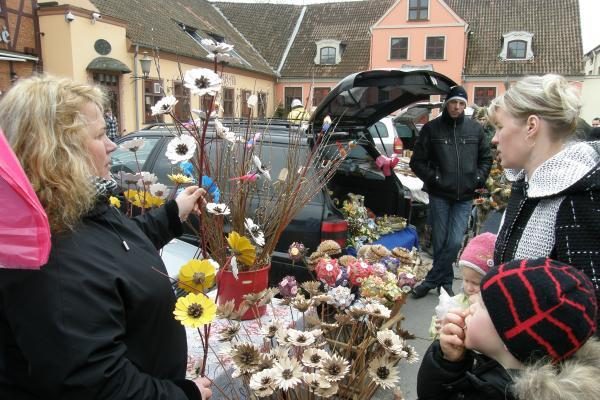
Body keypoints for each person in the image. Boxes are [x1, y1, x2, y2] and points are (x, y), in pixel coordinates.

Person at [0, 75, 212, 400]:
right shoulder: (47, 259)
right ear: (59, 154)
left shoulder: (76, 208)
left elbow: (115, 248)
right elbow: (99, 386)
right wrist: (184, 394)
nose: (113, 145)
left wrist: (172, 214)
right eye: (100, 135)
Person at [489, 74, 600, 326]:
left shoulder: (581, 198)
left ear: (531, 126)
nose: (494, 139)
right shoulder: (527, 186)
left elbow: (589, 313)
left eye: (500, 127)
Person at [417, 257, 600, 400]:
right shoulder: (497, 366)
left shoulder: (492, 393)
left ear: (510, 337)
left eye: (482, 305)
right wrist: (448, 361)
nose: (471, 305)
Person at [410, 86, 492, 298]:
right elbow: (416, 161)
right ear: (446, 104)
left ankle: (430, 281)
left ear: (465, 106)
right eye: (453, 102)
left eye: (461, 103)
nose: (457, 107)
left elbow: (486, 158)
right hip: (439, 195)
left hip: (464, 196)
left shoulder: (475, 129)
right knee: (439, 240)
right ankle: (445, 283)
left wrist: (477, 178)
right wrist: (435, 178)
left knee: (454, 241)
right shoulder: (432, 129)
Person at [429, 232, 496, 339]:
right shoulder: (459, 300)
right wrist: (437, 327)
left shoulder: (493, 311)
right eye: (466, 280)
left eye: (476, 283)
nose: (469, 288)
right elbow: (436, 331)